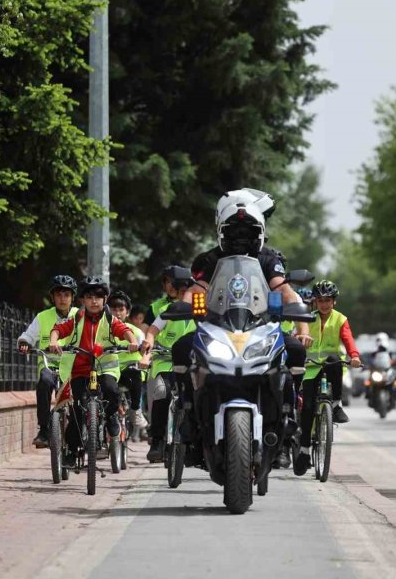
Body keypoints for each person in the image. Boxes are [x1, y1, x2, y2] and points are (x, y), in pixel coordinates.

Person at [142, 188, 310, 468]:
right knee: (182, 348)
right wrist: (184, 305)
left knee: (294, 351)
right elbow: (197, 289)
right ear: (222, 230)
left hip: (261, 328)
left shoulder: (270, 259)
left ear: (260, 230)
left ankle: (288, 420)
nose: (241, 236)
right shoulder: (208, 260)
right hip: (217, 328)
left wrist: (303, 326)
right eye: (235, 231)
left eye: (247, 230)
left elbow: (283, 289)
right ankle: (187, 422)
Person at [49, 277, 138, 465]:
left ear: (105, 299)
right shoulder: (77, 318)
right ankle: (72, 451)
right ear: (82, 300)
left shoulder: (109, 318)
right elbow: (58, 329)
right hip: (81, 368)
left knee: (110, 389)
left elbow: (123, 330)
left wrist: (132, 341)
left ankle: (112, 416)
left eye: (98, 297)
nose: (94, 301)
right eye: (89, 297)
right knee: (76, 411)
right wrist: (54, 341)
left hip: (106, 365)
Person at [294, 280, 362, 476]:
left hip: (331, 367)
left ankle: (336, 404)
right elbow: (298, 337)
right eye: (320, 300)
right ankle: (305, 451)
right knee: (306, 408)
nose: (324, 304)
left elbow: (348, 339)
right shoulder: (307, 318)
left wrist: (355, 356)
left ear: (334, 302)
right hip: (310, 369)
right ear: (315, 302)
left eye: (328, 300)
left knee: (335, 359)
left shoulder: (341, 319)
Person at [138, 267, 195, 462]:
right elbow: (151, 331)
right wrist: (147, 345)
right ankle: (157, 440)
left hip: (192, 364)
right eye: (181, 292)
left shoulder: (203, 310)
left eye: (188, 291)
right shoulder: (165, 310)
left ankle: (194, 442)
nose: (184, 296)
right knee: (161, 392)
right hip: (164, 361)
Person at [17, 274, 79, 448]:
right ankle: (44, 429)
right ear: (52, 297)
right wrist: (24, 343)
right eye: (58, 295)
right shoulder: (43, 317)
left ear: (72, 297)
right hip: (49, 364)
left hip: (73, 366)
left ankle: (82, 430)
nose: (62, 299)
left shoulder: (80, 315)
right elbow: (28, 335)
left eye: (66, 295)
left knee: (80, 394)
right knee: (44, 382)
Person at [107, 290, 149, 434]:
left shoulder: (136, 332)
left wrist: (144, 358)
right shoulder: (103, 329)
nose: (118, 313)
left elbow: (146, 349)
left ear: (127, 312)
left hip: (128, 372)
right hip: (108, 370)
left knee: (134, 373)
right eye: (114, 309)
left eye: (121, 309)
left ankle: (136, 410)